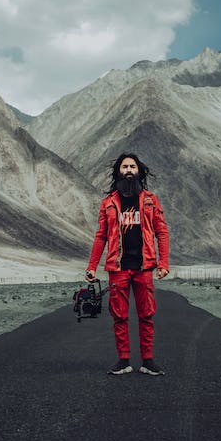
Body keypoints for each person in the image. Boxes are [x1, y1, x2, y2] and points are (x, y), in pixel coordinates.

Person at [86, 153, 170, 376]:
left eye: (133, 166)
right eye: (125, 166)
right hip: (118, 267)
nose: (129, 169)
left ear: (139, 171)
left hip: (144, 267)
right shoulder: (109, 203)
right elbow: (101, 236)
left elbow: (162, 232)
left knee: (146, 315)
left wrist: (163, 263)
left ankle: (148, 361)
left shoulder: (151, 200)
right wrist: (92, 266)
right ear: (118, 172)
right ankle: (124, 361)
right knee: (119, 316)